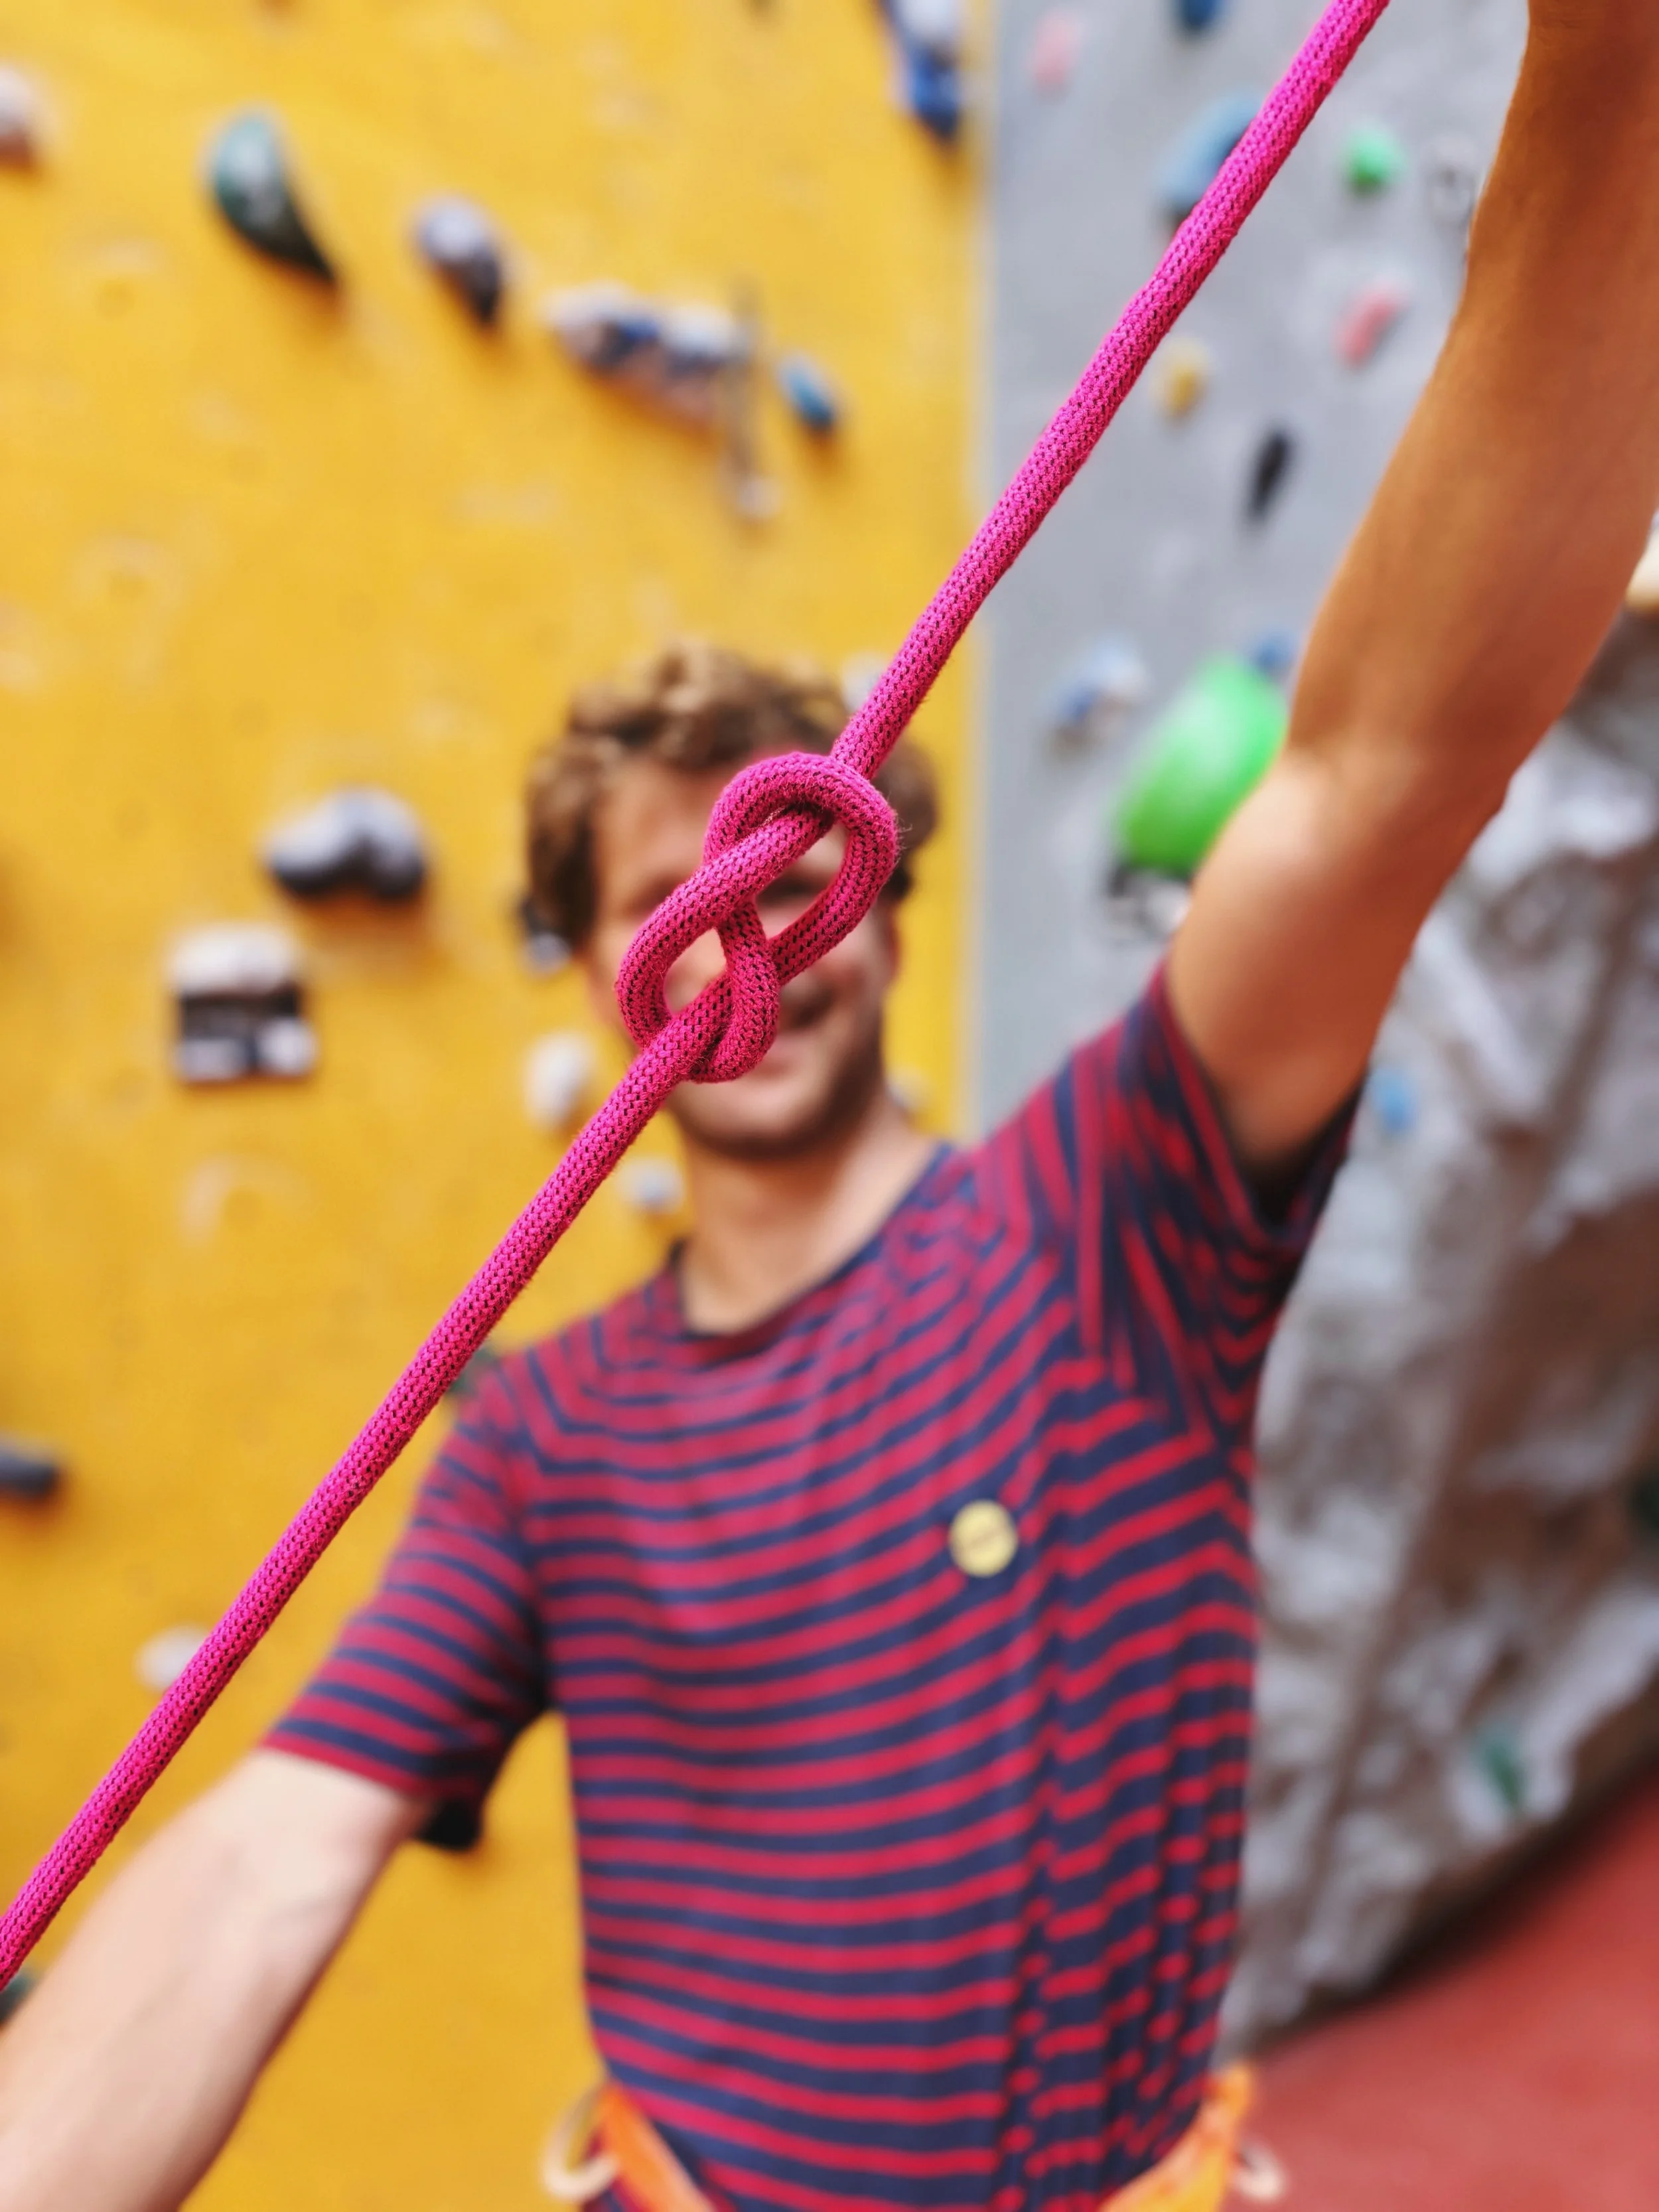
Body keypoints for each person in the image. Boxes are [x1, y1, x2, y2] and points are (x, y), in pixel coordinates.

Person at [7, 5, 1659, 2205]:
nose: (742, 947)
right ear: (596, 968)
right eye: (663, 901)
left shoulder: (1112, 1210)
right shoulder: (543, 1433)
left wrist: (1612, 65)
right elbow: (280, 1840)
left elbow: (1379, 775)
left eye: (783, 879)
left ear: (879, 895)